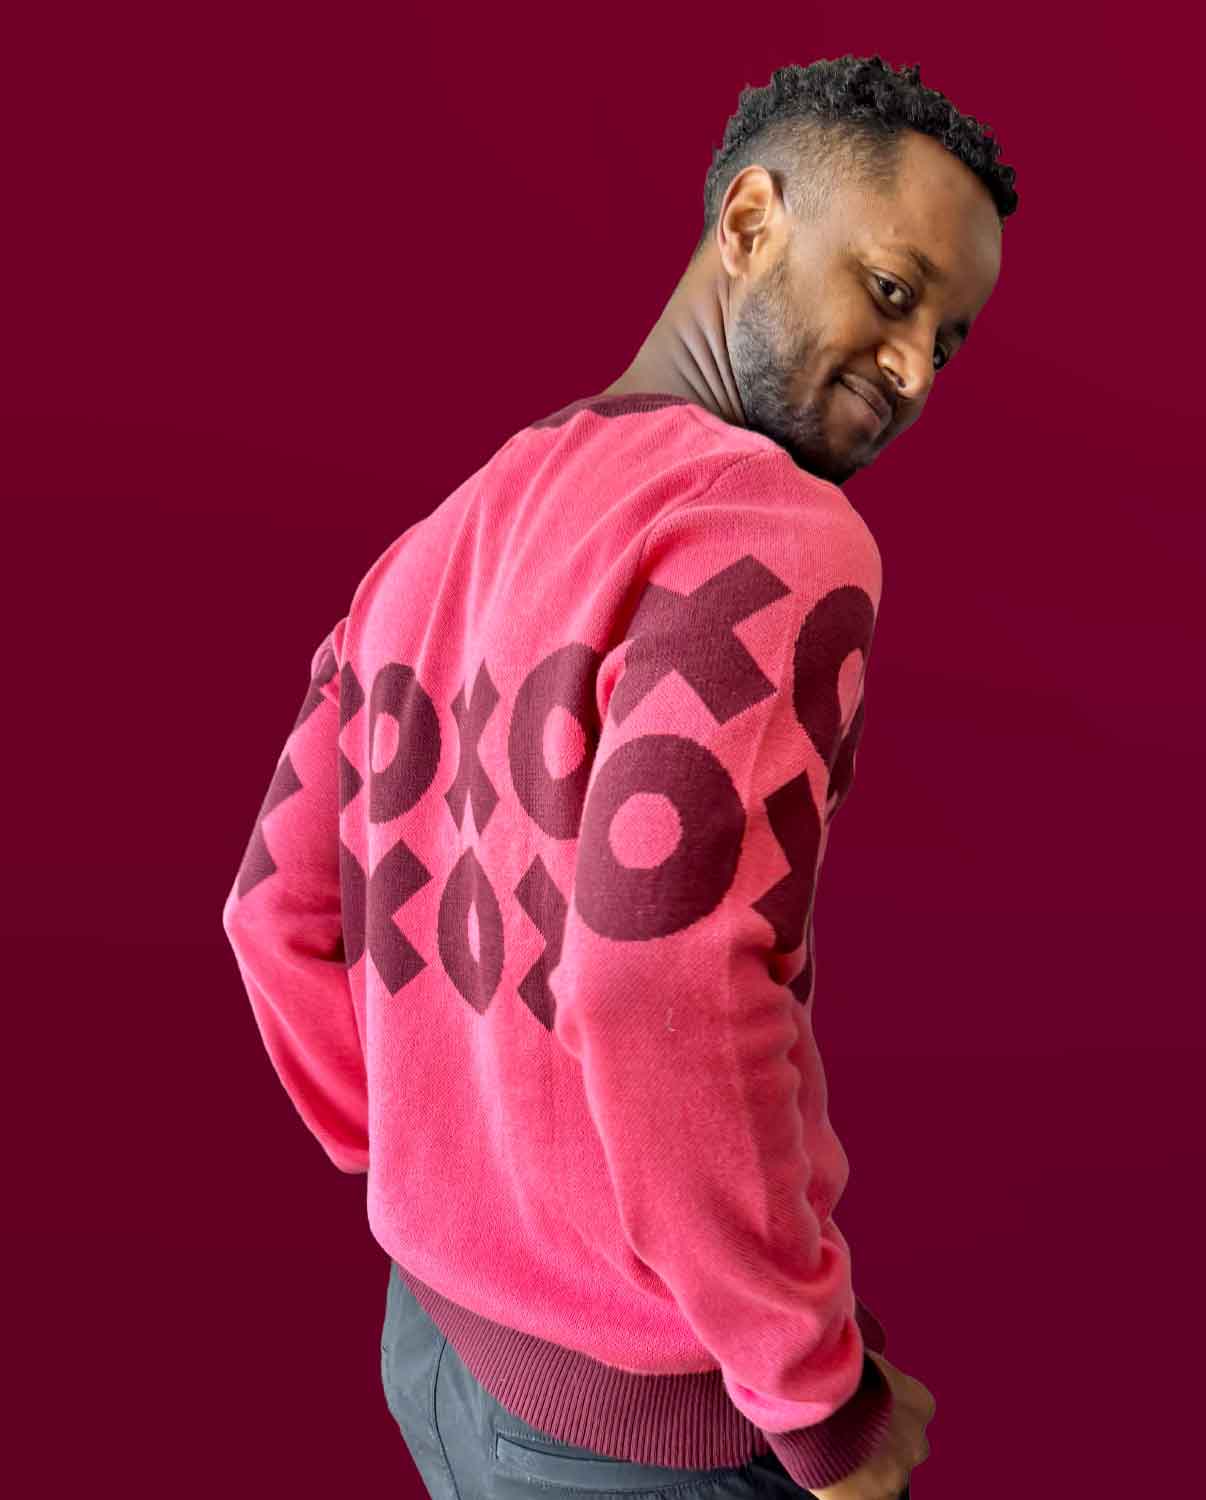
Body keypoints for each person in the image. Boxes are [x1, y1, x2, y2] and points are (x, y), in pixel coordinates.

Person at [222, 52, 1015, 1500]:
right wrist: (819, 1399)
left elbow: (272, 918)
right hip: (641, 1426)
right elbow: (664, 979)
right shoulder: (769, 529)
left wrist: (452, 1187)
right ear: (752, 221)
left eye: (946, 342)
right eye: (893, 292)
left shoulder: (437, 538)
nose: (912, 369)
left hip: (436, 1354)